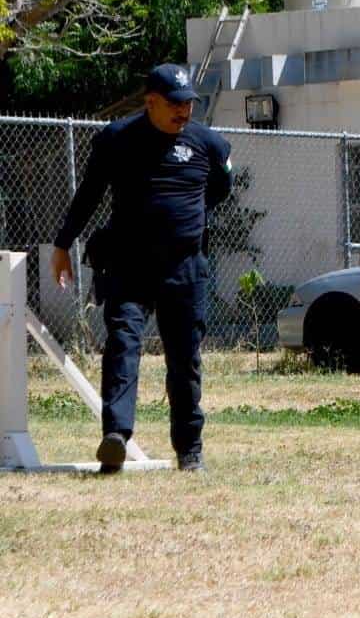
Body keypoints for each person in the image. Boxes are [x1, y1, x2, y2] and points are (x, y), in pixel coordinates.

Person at [50, 64, 233, 473]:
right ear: (150, 101)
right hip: (128, 267)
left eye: (188, 104)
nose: (184, 111)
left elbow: (220, 189)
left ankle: (190, 450)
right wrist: (63, 244)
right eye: (174, 104)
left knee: (184, 359)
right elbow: (89, 194)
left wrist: (185, 219)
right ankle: (115, 435)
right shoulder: (117, 139)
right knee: (123, 345)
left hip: (185, 269)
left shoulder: (208, 144)